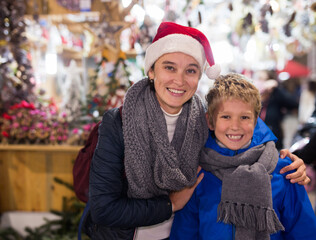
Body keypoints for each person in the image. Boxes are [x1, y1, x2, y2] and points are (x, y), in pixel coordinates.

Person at [82, 22, 309, 240]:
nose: (179, 80)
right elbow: (104, 209)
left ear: (199, 77)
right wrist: (171, 204)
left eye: (190, 70)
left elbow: (244, 134)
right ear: (151, 71)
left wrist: (282, 158)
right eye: (169, 67)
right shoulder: (120, 122)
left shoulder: (202, 121)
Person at [170, 73, 316, 240]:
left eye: (244, 117)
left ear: (256, 121)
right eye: (226, 116)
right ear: (210, 121)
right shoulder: (198, 172)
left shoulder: (284, 170)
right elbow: (184, 233)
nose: (235, 126)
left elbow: (304, 232)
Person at [254, 69, 299, 150]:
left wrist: (277, 88)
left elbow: (293, 104)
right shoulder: (253, 96)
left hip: (273, 139)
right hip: (255, 139)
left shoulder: (276, 95)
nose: (258, 81)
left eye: (261, 79)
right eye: (257, 78)